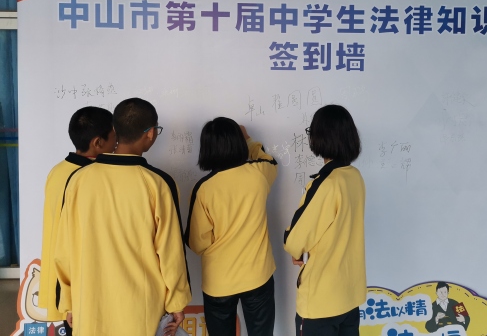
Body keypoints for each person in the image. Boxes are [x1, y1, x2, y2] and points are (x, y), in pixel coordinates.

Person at [55, 98, 191, 336]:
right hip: (140, 309)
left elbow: (64, 249)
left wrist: (68, 302)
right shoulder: (158, 184)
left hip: (90, 305)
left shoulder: (78, 180)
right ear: (150, 134)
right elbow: (171, 253)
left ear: (115, 130)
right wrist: (177, 302)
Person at [185, 117, 278, 336]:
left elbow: (197, 243)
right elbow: (270, 161)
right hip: (258, 275)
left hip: (219, 281)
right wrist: (249, 140)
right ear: (238, 143)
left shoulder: (204, 189)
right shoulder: (259, 173)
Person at [283, 104, 366, 336]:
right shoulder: (354, 177)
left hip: (321, 302)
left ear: (320, 137)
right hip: (349, 296)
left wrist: (295, 249)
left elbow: (294, 241)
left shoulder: (326, 183)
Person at [38, 106, 116, 335]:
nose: (117, 144)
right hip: (80, 284)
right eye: (114, 137)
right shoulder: (90, 178)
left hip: (64, 281)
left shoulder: (57, 170)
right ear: (97, 143)